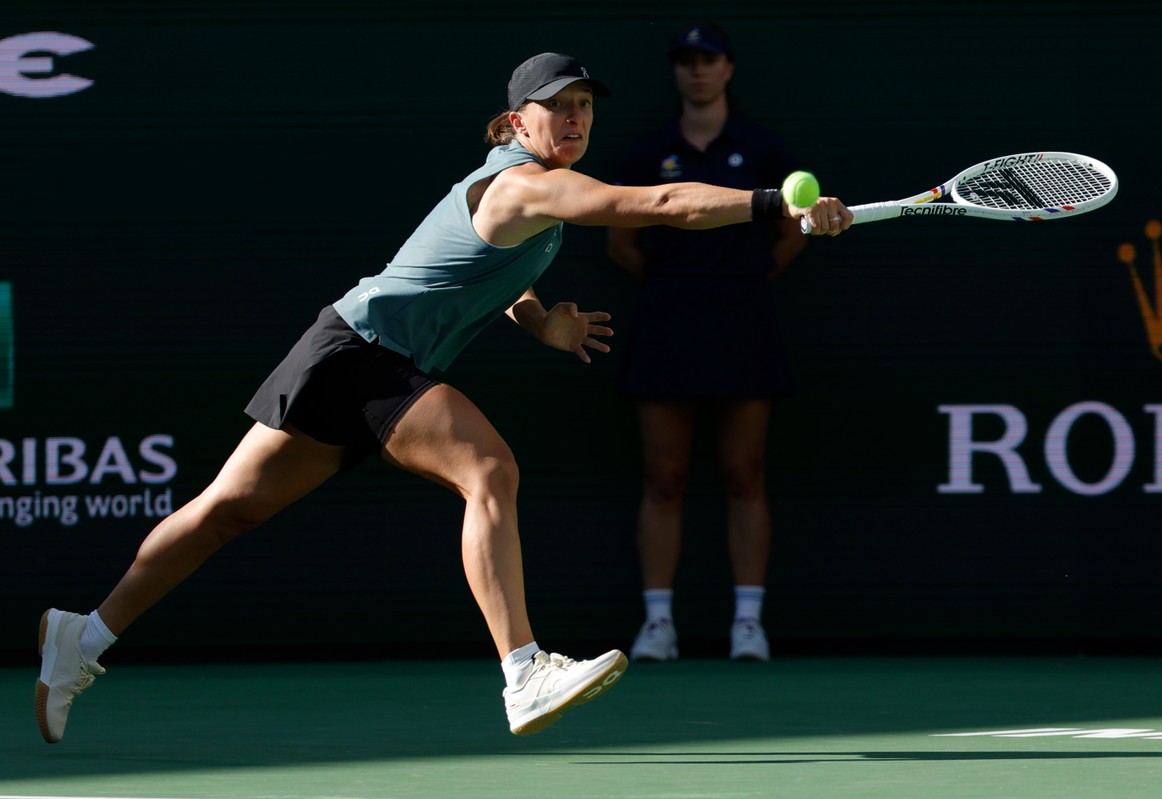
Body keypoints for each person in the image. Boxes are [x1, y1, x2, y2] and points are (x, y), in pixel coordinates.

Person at [35, 51, 852, 745]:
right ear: (518, 119)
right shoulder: (528, 188)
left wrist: (538, 322)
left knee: (226, 512)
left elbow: (473, 275)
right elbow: (662, 205)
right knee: (489, 469)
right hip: (362, 356)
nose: (574, 121)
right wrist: (776, 204)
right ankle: (524, 670)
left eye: (583, 109)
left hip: (345, 353)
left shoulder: (516, 188)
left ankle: (84, 635)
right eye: (556, 109)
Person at [606, 24, 808, 662]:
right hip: (667, 321)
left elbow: (793, 233)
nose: (697, 71)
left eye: (709, 60)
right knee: (663, 477)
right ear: (677, 72)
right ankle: (657, 625)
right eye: (687, 62)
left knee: (744, 474)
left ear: (728, 69)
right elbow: (620, 243)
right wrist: (681, 284)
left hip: (744, 318)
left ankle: (748, 623)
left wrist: (737, 278)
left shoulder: (764, 148)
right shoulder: (648, 153)